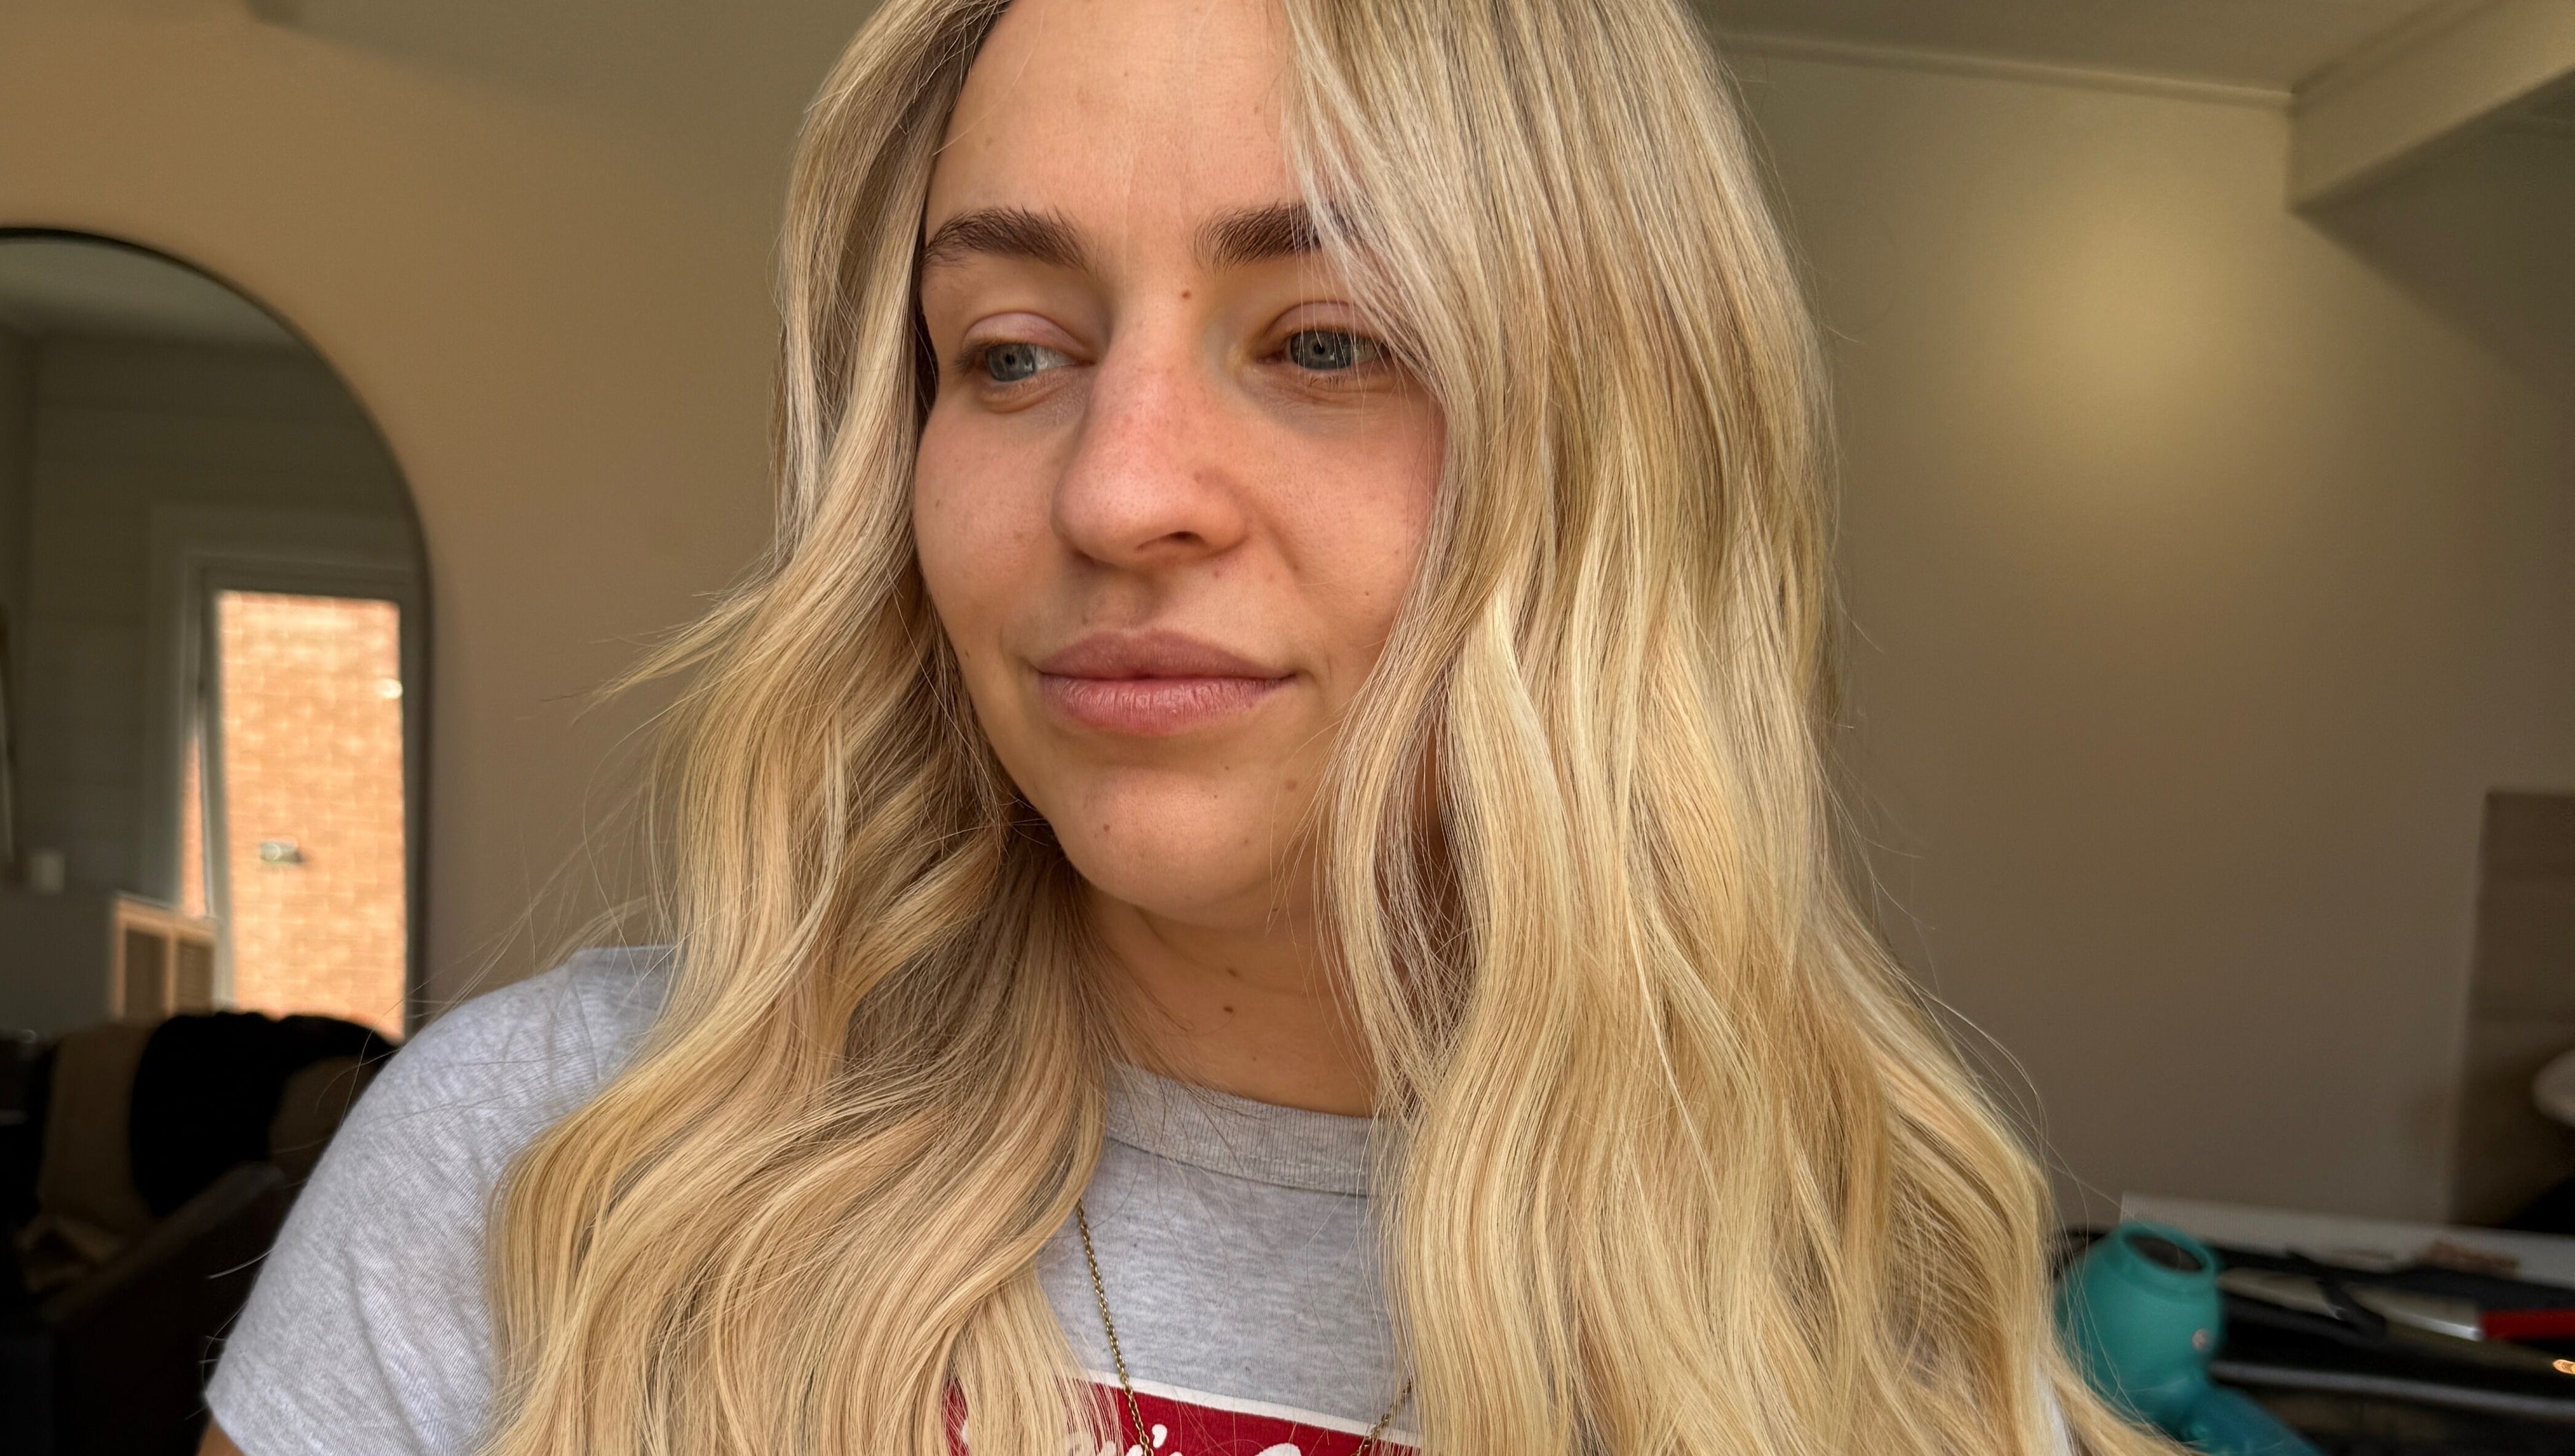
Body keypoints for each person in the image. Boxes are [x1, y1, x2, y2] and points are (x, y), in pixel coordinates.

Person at [202, 0, 2181, 1453]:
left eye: (1324, 339)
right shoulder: (545, 1175)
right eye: (1012, 355)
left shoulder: (1880, 1338)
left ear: (1617, 452)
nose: (1114, 486)